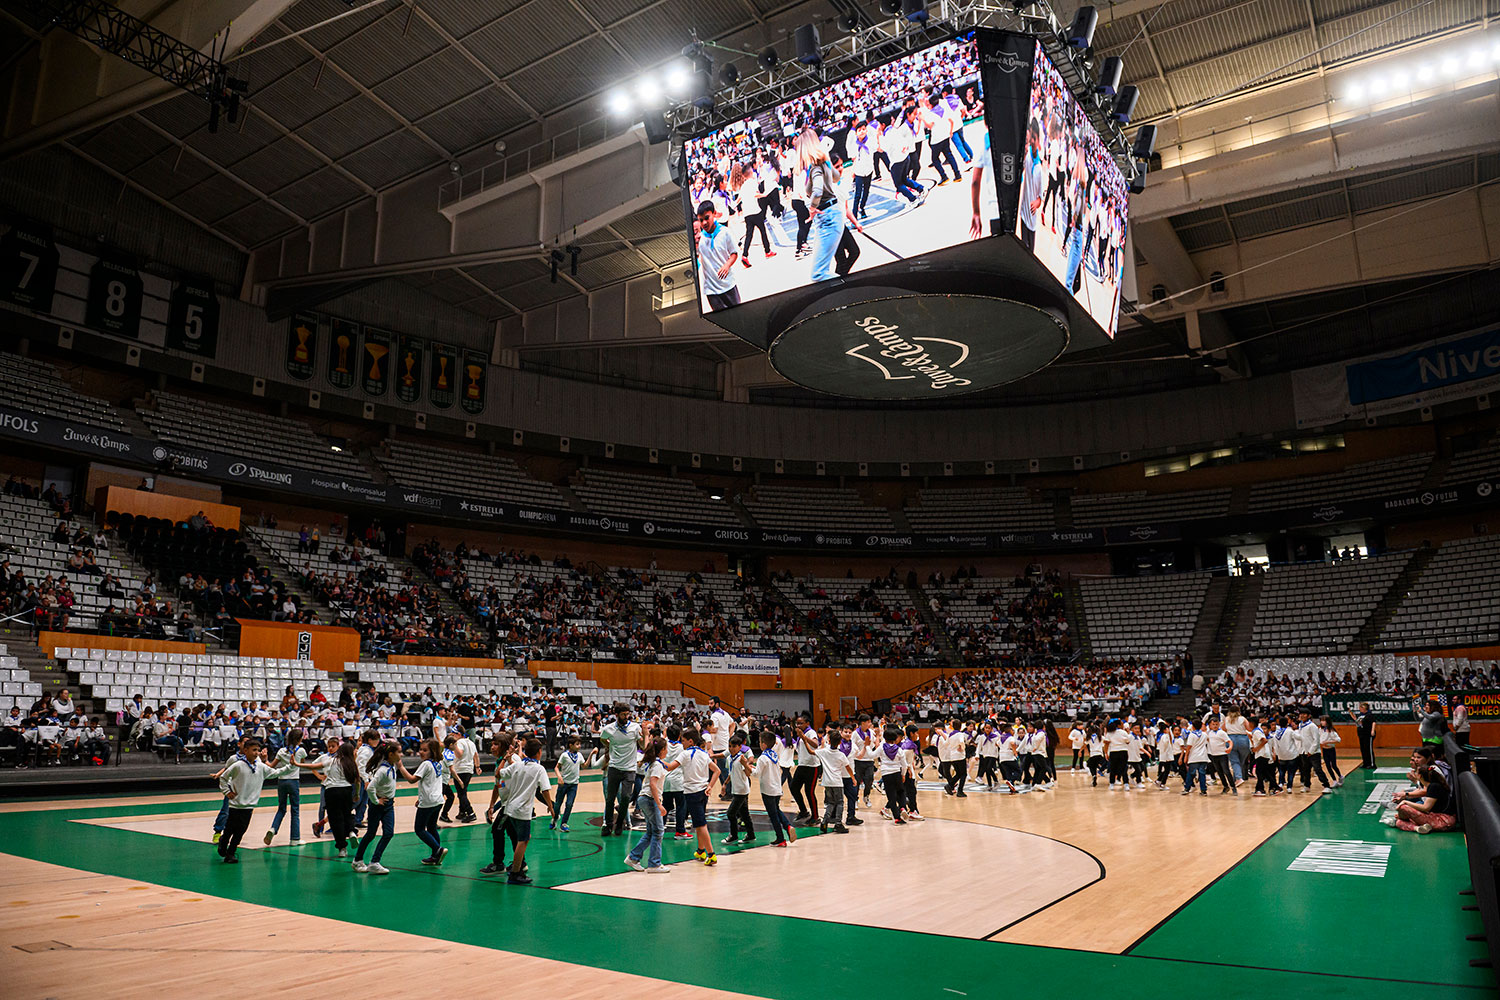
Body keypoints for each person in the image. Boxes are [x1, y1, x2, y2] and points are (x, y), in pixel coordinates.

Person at [215, 737, 295, 863]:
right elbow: (224, 778)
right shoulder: (238, 765)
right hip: (236, 805)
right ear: (245, 750)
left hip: (249, 806)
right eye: (253, 750)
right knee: (230, 828)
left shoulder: (261, 767)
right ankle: (223, 843)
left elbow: (275, 772)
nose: (256, 753)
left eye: (258, 750)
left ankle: (231, 853)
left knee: (241, 831)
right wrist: (227, 792)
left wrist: (290, 766)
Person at [489, 737, 554, 885]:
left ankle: (515, 867)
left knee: (522, 837)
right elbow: (545, 790)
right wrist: (550, 807)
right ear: (539, 752)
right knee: (522, 840)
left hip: (510, 807)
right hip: (523, 809)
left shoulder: (518, 765)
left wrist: (505, 759)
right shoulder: (539, 769)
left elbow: (498, 774)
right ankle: (516, 872)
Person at [293, 736, 357, 857]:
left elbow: (313, 766)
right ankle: (351, 831)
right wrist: (357, 794)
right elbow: (357, 780)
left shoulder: (331, 760)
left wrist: (297, 764)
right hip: (347, 791)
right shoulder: (351, 763)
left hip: (332, 791)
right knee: (347, 814)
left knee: (335, 819)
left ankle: (342, 848)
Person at [797, 127, 846, 284]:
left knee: (818, 274)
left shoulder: (815, 167)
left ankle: (848, 292)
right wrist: (828, 161)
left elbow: (817, 190)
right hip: (830, 215)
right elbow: (837, 177)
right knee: (821, 271)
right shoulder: (822, 163)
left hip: (827, 217)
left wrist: (811, 208)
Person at [352, 742, 400, 874]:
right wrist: (375, 801)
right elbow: (370, 787)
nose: (401, 754)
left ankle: (374, 862)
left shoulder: (392, 766)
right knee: (371, 834)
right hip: (379, 805)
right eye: (399, 752)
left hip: (389, 805)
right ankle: (357, 860)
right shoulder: (383, 770)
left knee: (388, 833)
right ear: (391, 754)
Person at [625, 736, 670, 873]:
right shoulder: (656, 765)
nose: (667, 751)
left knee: (651, 831)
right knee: (658, 831)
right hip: (650, 799)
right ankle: (654, 864)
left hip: (644, 799)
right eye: (666, 749)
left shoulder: (655, 763)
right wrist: (659, 804)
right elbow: (652, 784)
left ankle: (633, 857)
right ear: (662, 750)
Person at [399, 739, 447, 866]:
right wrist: (420, 798)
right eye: (420, 749)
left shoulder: (426, 764)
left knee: (419, 829)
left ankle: (438, 850)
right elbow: (430, 783)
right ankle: (435, 856)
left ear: (432, 751)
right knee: (431, 827)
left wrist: (401, 767)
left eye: (425, 750)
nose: (421, 752)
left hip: (428, 802)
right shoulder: (437, 763)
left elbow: (411, 780)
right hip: (438, 800)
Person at [678, 727, 720, 867]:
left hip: (692, 793)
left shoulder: (685, 754)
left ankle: (711, 854)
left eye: (683, 741)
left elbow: (671, 766)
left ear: (690, 741)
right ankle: (701, 850)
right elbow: (717, 771)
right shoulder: (703, 754)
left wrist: (658, 761)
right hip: (703, 792)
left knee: (701, 824)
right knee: (698, 822)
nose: (681, 743)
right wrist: (710, 786)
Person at [599, 704, 643, 837]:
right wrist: (610, 745)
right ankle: (608, 825)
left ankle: (619, 824)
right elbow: (602, 738)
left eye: (627, 714)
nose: (626, 716)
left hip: (629, 769)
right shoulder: (609, 729)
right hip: (614, 767)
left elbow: (641, 743)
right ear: (616, 715)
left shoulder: (635, 728)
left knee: (625, 797)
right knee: (610, 798)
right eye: (623, 714)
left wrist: (645, 736)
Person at [694, 201, 741, 312]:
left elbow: (734, 253)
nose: (704, 223)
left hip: (728, 285)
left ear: (714, 214)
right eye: (701, 220)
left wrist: (727, 265)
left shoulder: (725, 233)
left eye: (707, 218)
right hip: (711, 291)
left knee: (739, 315)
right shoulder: (700, 239)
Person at [263, 728, 306, 846]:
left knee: (281, 808)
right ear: (299, 739)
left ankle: (273, 828)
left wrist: (264, 760)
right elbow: (302, 762)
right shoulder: (301, 750)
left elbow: (271, 766)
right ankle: (295, 838)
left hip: (281, 782)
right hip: (294, 782)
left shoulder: (281, 751)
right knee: (295, 810)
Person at [1384, 766, 1456, 833]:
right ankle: (1418, 828)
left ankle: (1409, 823)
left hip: (1443, 821)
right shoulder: (1432, 785)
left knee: (1403, 807)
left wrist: (1405, 802)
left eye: (1416, 772)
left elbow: (1426, 808)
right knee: (1399, 822)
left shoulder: (1433, 786)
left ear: (1420, 776)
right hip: (1438, 818)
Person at [755, 730, 797, 846]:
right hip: (777, 788)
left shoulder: (762, 758)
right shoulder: (774, 755)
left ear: (763, 744)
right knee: (776, 810)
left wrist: (746, 767)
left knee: (773, 814)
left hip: (767, 790)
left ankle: (781, 838)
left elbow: (756, 774)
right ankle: (787, 826)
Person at [815, 727, 855, 834]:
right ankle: (838, 823)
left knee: (830, 803)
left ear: (828, 741)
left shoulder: (823, 752)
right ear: (840, 742)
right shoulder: (841, 755)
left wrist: (804, 739)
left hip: (827, 782)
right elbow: (848, 767)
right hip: (837, 782)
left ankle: (824, 821)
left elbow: (812, 751)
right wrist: (853, 778)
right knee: (840, 802)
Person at [722, 732, 756, 845]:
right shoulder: (729, 759)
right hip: (735, 789)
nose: (731, 749)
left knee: (731, 813)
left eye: (734, 746)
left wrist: (745, 764)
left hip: (741, 790)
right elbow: (731, 773)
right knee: (744, 814)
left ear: (740, 747)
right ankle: (751, 835)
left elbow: (747, 774)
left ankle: (733, 835)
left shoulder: (741, 758)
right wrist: (725, 784)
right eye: (730, 746)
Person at [790, 714, 821, 826]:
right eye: (797, 723)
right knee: (794, 787)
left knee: (809, 792)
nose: (798, 725)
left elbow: (815, 744)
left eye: (801, 723)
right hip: (802, 765)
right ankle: (803, 811)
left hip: (812, 767)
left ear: (807, 723)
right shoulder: (799, 734)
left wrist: (804, 737)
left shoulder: (810, 732)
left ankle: (815, 817)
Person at [551, 734, 585, 832]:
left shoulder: (579, 755)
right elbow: (557, 767)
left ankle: (564, 823)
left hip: (574, 784)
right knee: (558, 804)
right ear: (571, 745)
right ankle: (554, 818)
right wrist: (559, 777)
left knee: (569, 804)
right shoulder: (564, 755)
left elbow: (584, 766)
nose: (579, 746)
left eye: (579, 744)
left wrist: (592, 755)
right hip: (563, 784)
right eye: (577, 744)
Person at [877, 725, 910, 824]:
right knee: (901, 792)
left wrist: (866, 746)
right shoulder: (899, 750)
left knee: (891, 796)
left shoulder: (881, 748)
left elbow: (871, 755)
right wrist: (903, 774)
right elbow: (904, 765)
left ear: (884, 738)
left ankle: (897, 818)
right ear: (895, 739)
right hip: (896, 773)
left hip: (886, 774)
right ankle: (903, 808)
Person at [1205, 718, 1237, 795]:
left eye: (1216, 724)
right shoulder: (1209, 733)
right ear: (1210, 725)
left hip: (1222, 755)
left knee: (1226, 771)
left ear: (1219, 724)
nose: (1215, 726)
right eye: (1213, 724)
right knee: (1219, 772)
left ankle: (1233, 787)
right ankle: (1225, 786)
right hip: (1213, 755)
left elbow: (1229, 741)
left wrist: (1230, 747)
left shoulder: (1222, 733)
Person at [1318, 718, 1344, 787]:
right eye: (1321, 720)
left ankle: (1340, 776)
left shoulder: (1331, 730)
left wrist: (1328, 742)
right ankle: (1334, 780)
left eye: (1323, 720)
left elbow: (1338, 740)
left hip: (1331, 749)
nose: (1322, 722)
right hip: (1324, 750)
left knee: (1334, 765)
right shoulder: (1320, 730)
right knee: (1328, 766)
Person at [1354, 702, 1376, 770]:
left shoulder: (1369, 715)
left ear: (1364, 708)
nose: (1360, 709)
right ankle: (1365, 763)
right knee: (1363, 749)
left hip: (1368, 734)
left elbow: (1373, 722)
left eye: (1361, 708)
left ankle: (1372, 764)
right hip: (1361, 734)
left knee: (1368, 749)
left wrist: (1372, 730)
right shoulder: (1360, 715)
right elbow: (1358, 722)